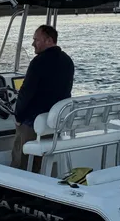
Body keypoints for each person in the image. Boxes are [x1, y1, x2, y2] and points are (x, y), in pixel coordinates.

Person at [11, 24, 75, 173]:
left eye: (36, 40)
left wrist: (18, 117)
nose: (33, 44)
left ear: (49, 40)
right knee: (44, 162)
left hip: (33, 122)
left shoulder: (38, 62)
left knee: (20, 161)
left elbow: (26, 93)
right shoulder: (67, 61)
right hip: (55, 123)